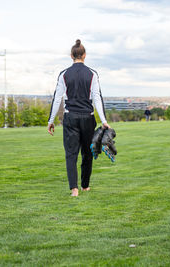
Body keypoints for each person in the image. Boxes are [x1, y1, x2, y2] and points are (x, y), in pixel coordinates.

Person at [47, 39, 110, 197]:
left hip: (70, 118)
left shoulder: (64, 74)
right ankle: (85, 186)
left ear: (71, 55)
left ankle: (74, 189)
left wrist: (51, 121)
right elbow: (97, 98)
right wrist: (103, 121)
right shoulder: (92, 74)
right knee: (87, 153)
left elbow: (57, 99)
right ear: (85, 55)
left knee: (71, 154)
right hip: (88, 118)